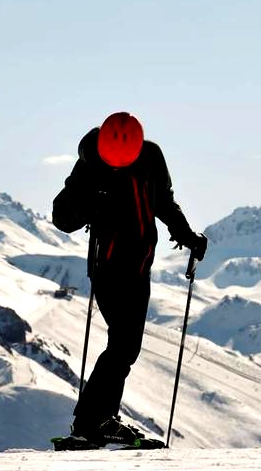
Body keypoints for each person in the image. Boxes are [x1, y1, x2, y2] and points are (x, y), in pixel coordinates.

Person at [52, 112, 208, 445]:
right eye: (114, 162)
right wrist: (92, 203)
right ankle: (90, 422)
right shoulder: (90, 165)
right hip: (107, 268)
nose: (119, 166)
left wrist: (186, 235)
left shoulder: (150, 156)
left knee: (126, 347)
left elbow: (162, 200)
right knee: (123, 345)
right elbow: (62, 217)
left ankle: (100, 420)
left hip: (140, 266)